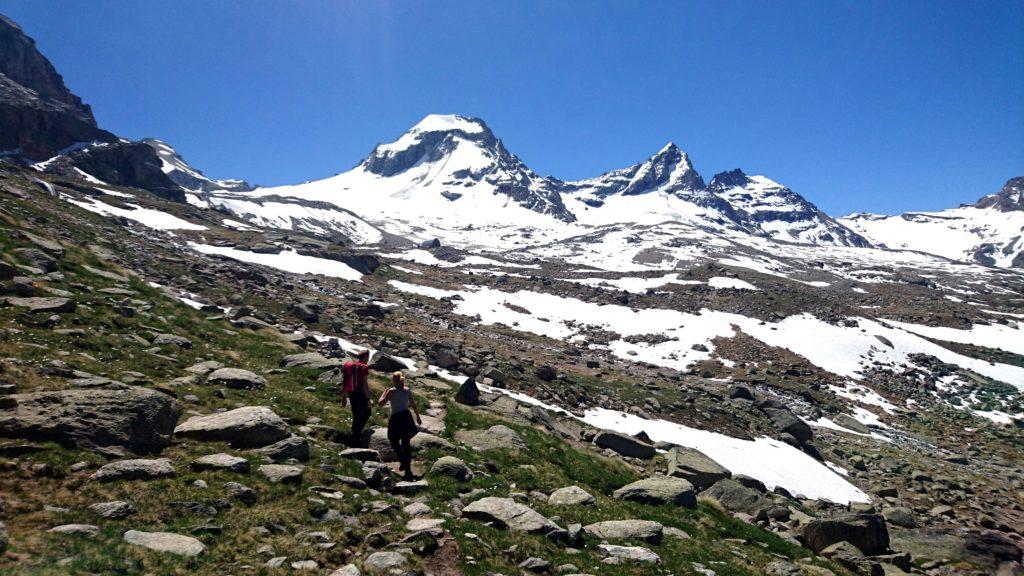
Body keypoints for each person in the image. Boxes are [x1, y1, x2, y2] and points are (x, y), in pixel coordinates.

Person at [378, 371, 422, 481]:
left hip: (396, 417)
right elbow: (413, 404)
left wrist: (384, 392)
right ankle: (407, 468)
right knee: (405, 441)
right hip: (406, 417)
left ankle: (403, 460)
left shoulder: (392, 391)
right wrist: (418, 416)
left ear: (394, 380)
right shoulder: (407, 390)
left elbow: (380, 403)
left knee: (393, 439)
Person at [341, 349, 371, 446]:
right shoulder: (364, 367)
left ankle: (354, 435)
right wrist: (368, 399)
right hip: (360, 393)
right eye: (368, 357)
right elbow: (364, 383)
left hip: (351, 393)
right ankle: (355, 435)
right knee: (367, 412)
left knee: (356, 414)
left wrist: (344, 397)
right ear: (366, 357)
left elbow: (345, 380)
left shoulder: (348, 365)